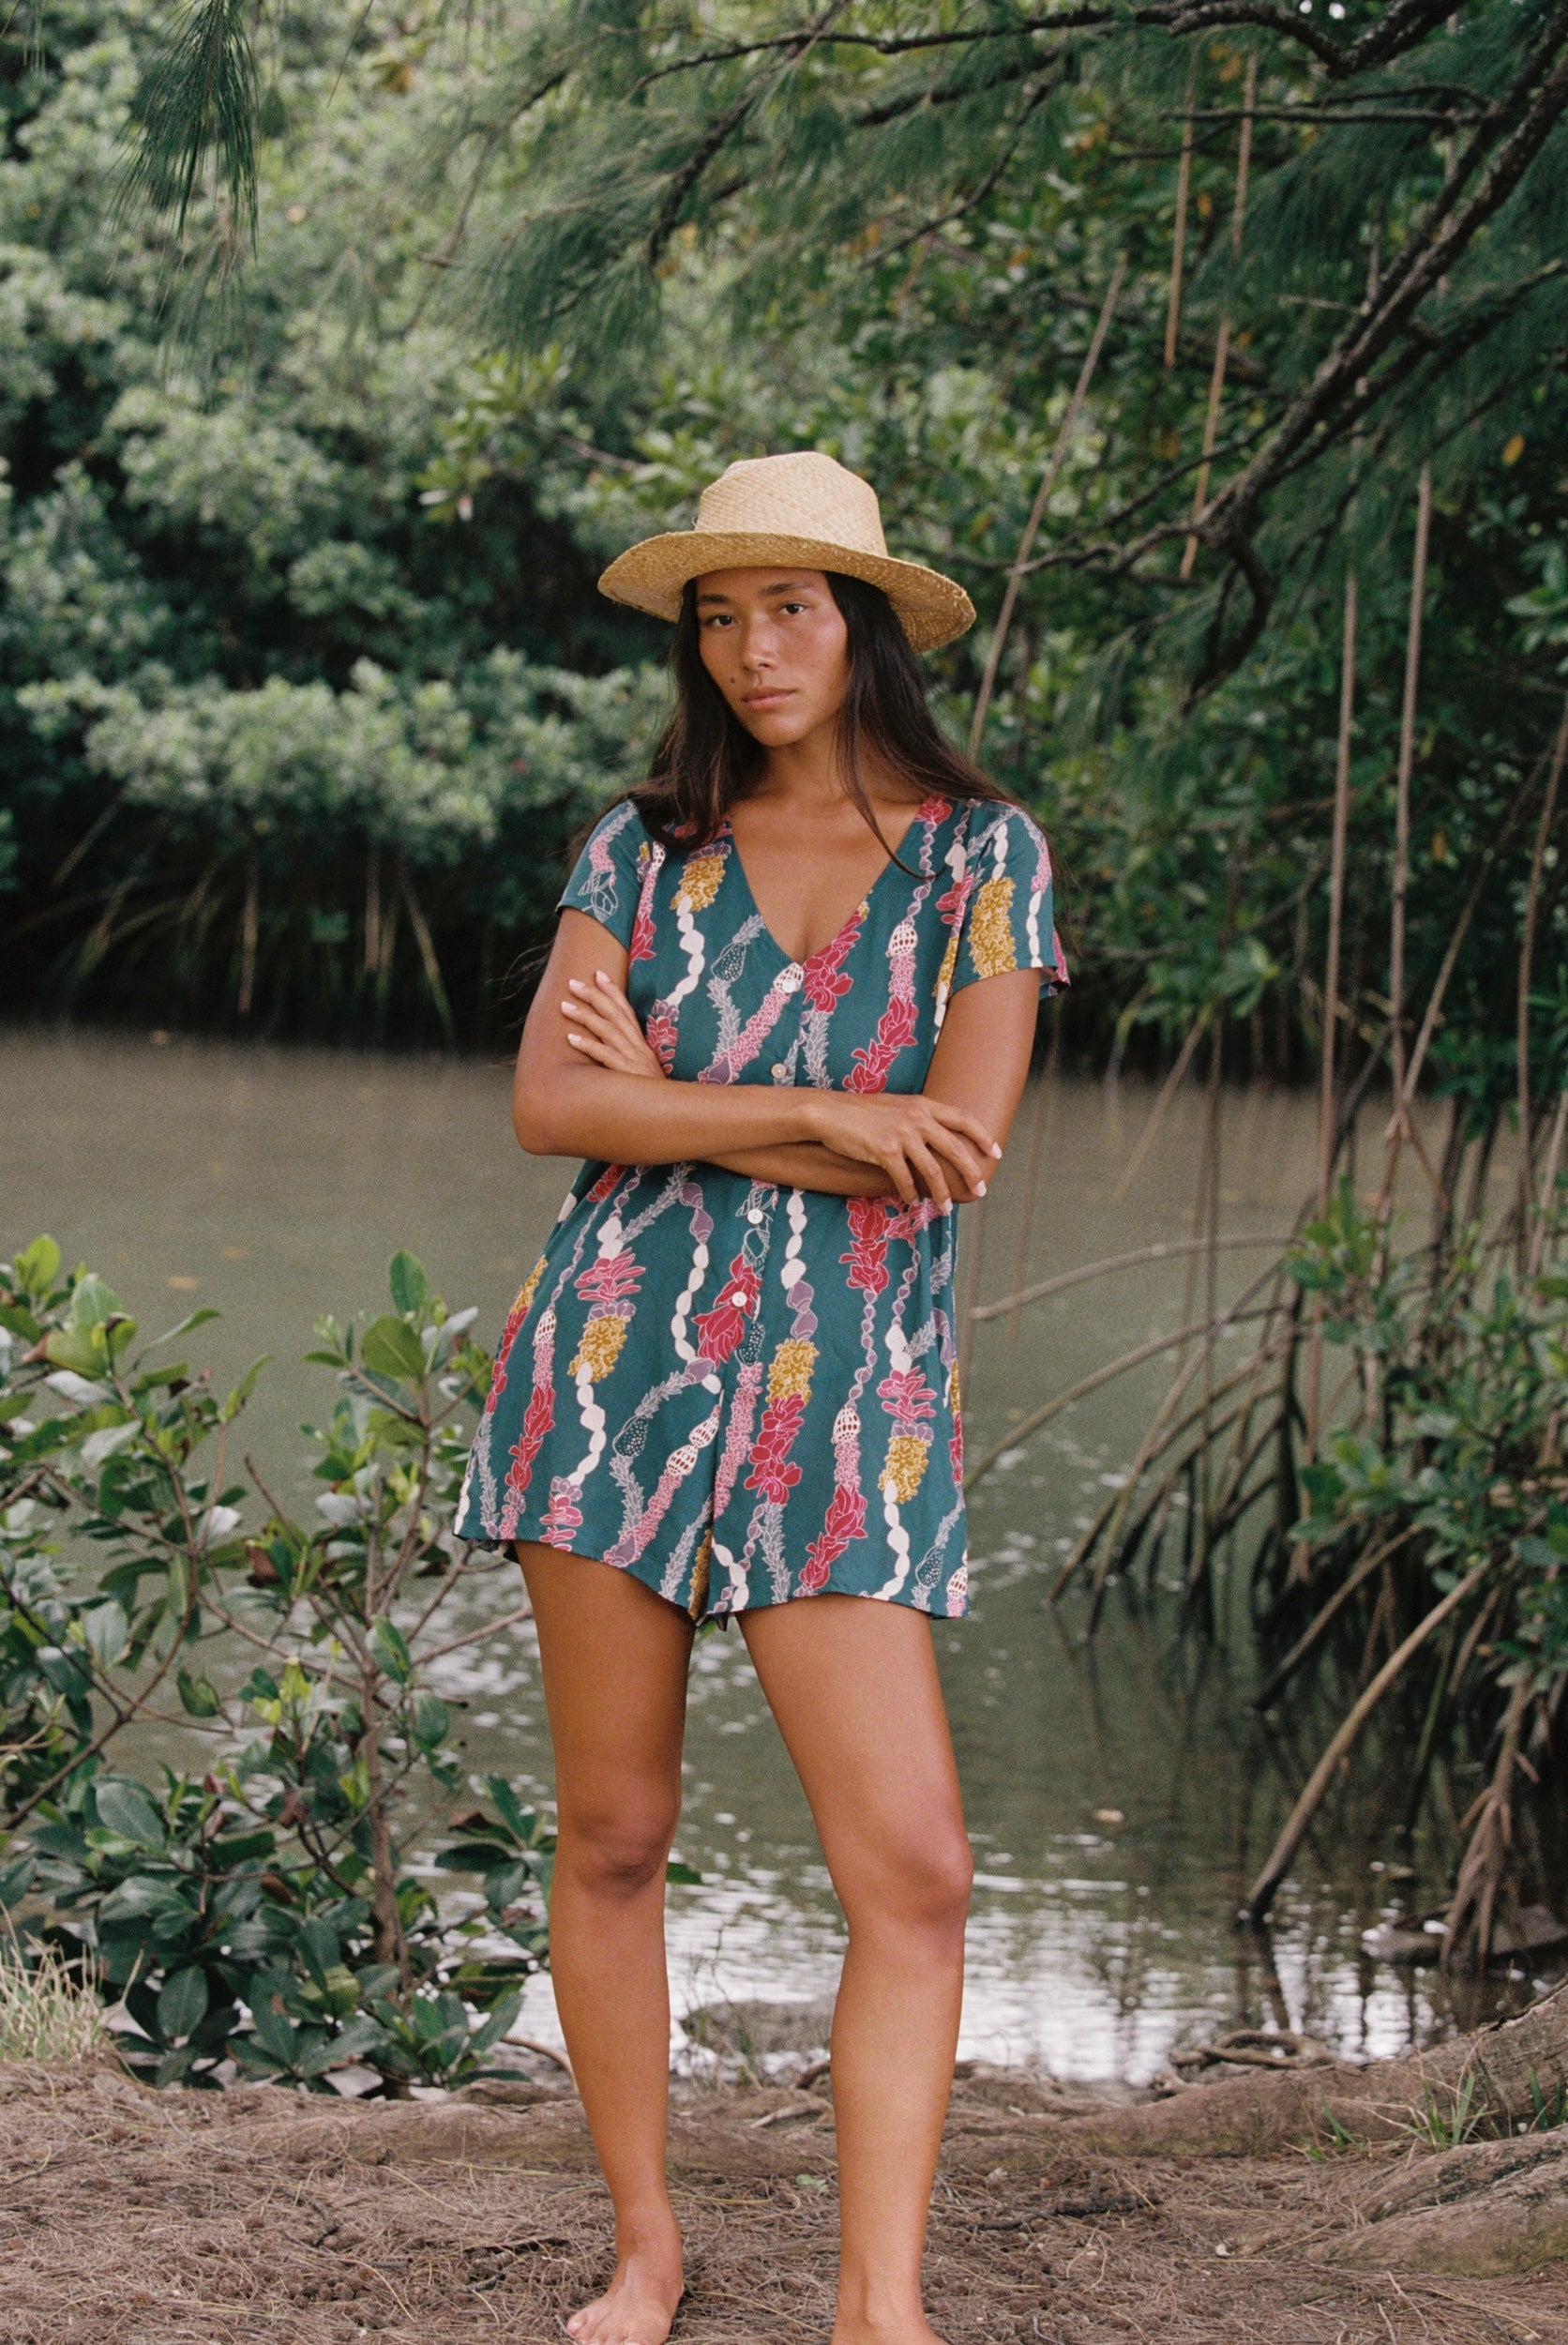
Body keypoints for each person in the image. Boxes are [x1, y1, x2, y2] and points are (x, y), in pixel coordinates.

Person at [456, 450, 1066, 2345]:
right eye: (717, 616)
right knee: (613, 1829)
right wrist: (817, 1108)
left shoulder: (982, 856)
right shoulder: (638, 849)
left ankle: (876, 2306)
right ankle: (645, 2244)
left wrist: (687, 1102)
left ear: (863, 623)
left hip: (849, 1402)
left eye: (785, 606)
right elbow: (557, 1111)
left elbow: (951, 1147)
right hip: (609, 1370)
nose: (746, 648)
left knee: (916, 1865)